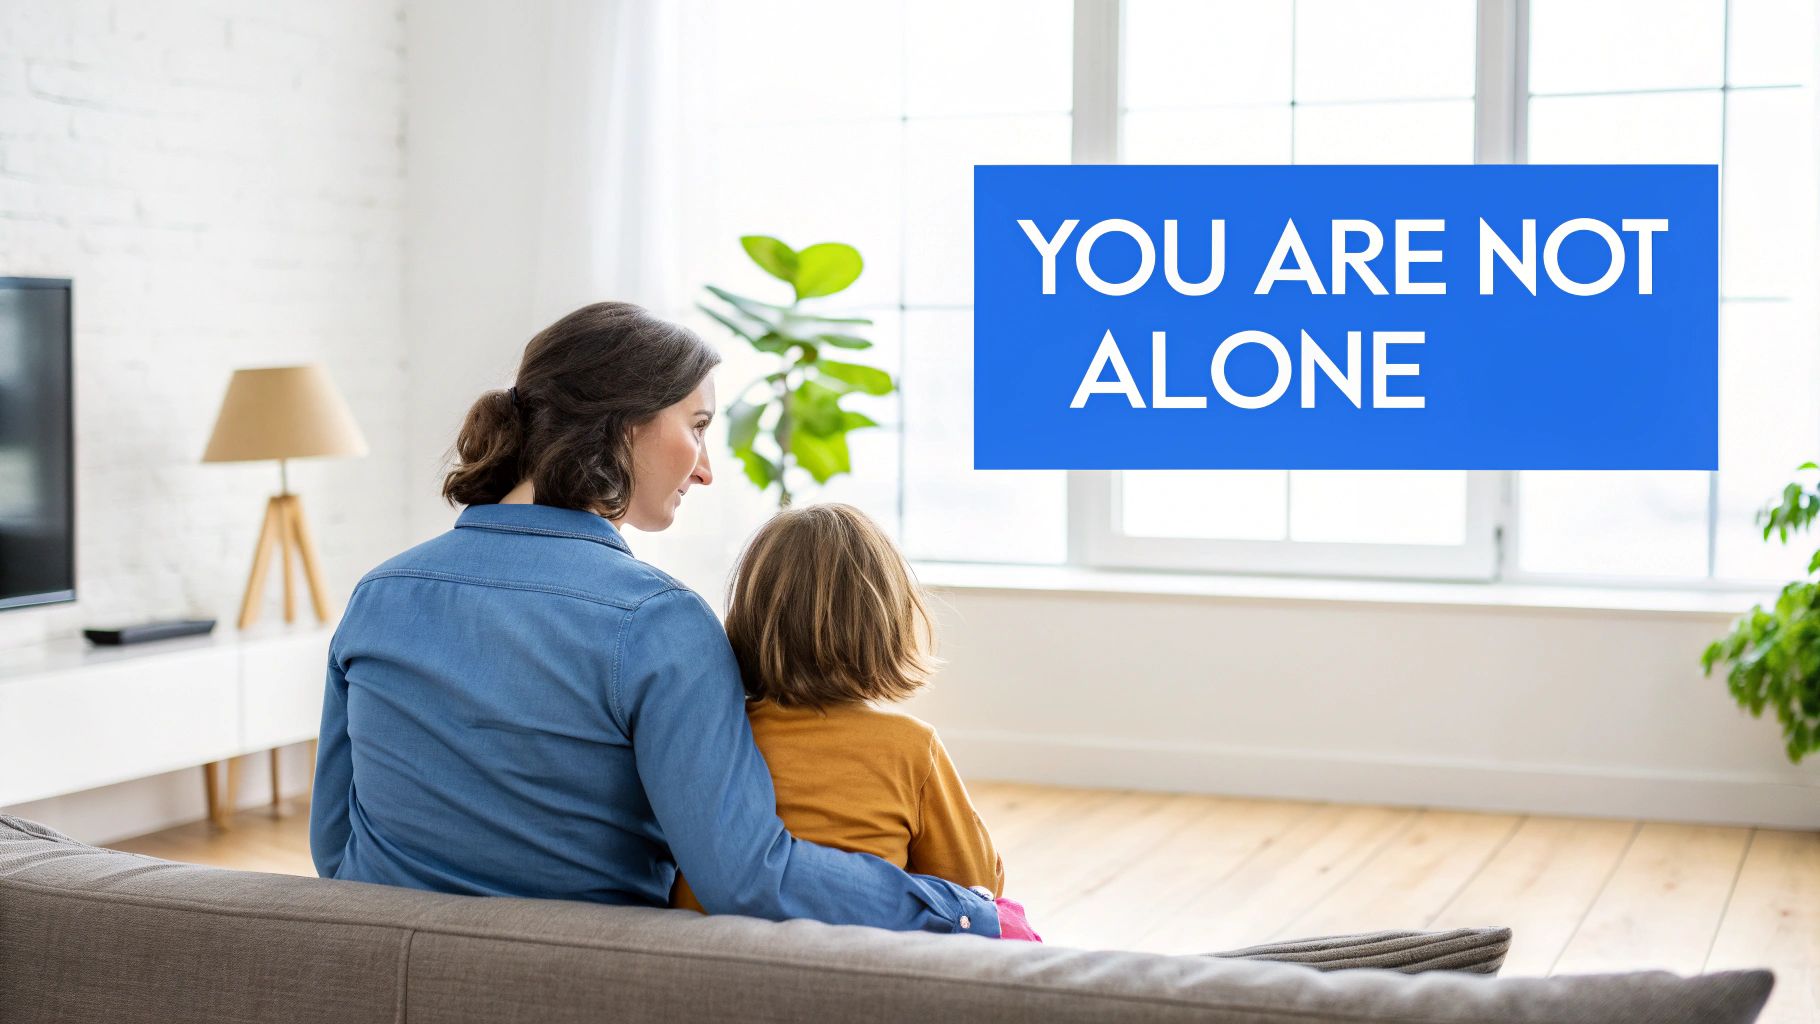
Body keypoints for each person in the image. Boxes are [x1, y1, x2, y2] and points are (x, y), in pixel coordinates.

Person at [309, 301, 999, 936]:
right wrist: (961, 912)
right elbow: (747, 880)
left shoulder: (379, 594)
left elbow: (333, 844)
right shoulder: (659, 625)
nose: (705, 471)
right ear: (624, 423)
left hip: (387, 967)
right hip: (583, 982)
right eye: (696, 427)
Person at [668, 503, 1040, 941]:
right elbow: (974, 883)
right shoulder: (910, 747)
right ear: (888, 623)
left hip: (720, 953)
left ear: (750, 619)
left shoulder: (721, 734)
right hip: (862, 961)